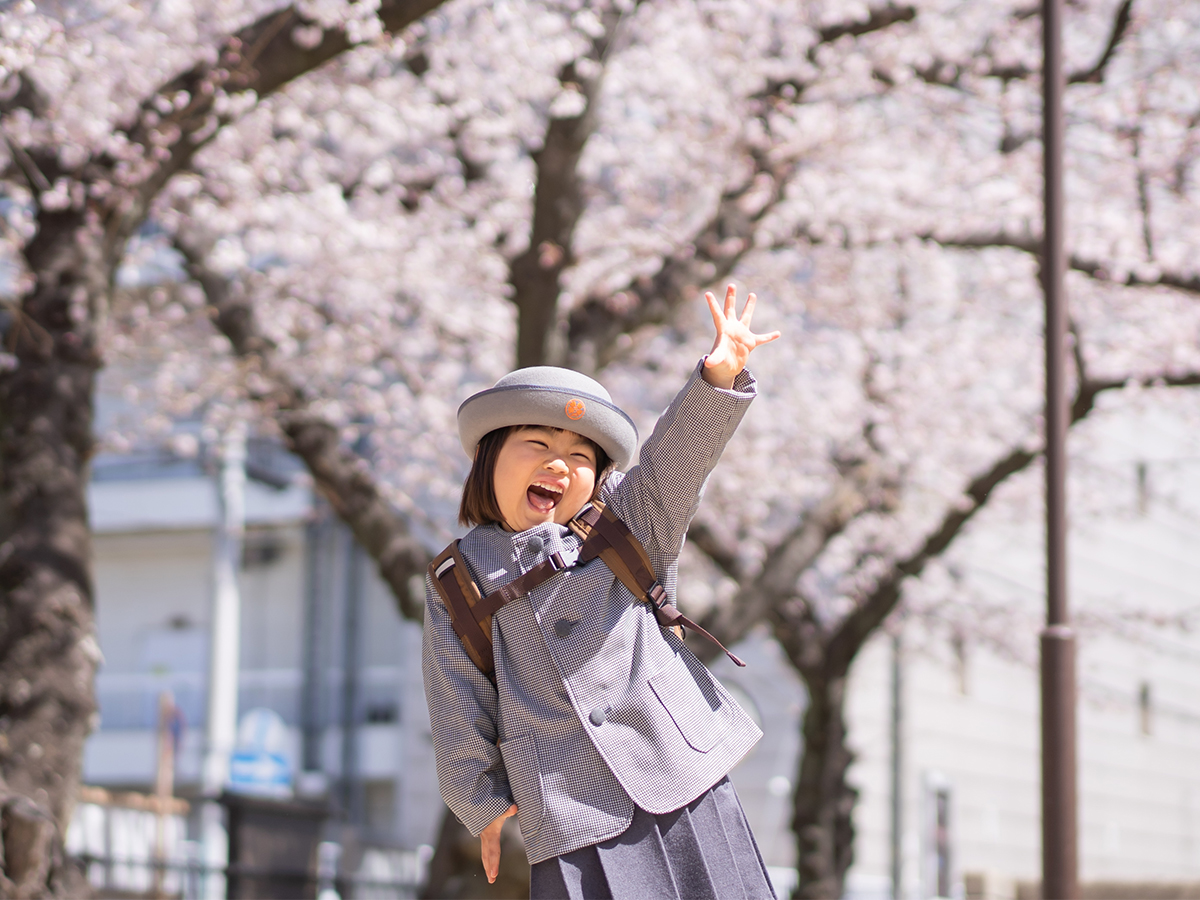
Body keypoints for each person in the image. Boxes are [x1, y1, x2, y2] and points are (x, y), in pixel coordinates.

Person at [422, 285, 780, 899]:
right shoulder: (458, 579)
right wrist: (481, 803)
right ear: (489, 459)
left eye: (579, 455)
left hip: (678, 770)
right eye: (538, 445)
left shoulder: (623, 522)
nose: (560, 463)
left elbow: (678, 462)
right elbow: (455, 698)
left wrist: (716, 379)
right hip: (568, 807)